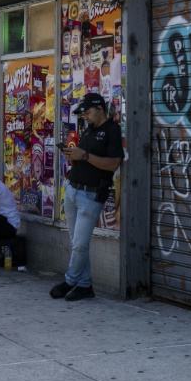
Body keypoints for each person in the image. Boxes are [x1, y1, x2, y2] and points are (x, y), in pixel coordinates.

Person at [50, 92, 122, 301]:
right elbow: (86, 160)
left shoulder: (112, 130)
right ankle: (85, 285)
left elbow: (113, 164)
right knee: (78, 244)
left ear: (100, 109)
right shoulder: (89, 130)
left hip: (91, 195)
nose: (86, 117)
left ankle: (70, 280)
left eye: (88, 113)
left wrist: (86, 156)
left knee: (80, 244)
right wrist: (74, 156)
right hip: (73, 189)